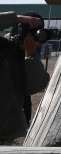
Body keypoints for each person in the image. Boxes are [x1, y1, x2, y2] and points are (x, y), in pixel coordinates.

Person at [1, 12, 51, 145]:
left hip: (5, 134)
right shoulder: (3, 46)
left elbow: (35, 86)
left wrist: (30, 53)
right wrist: (17, 18)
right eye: (28, 30)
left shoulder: (26, 56)